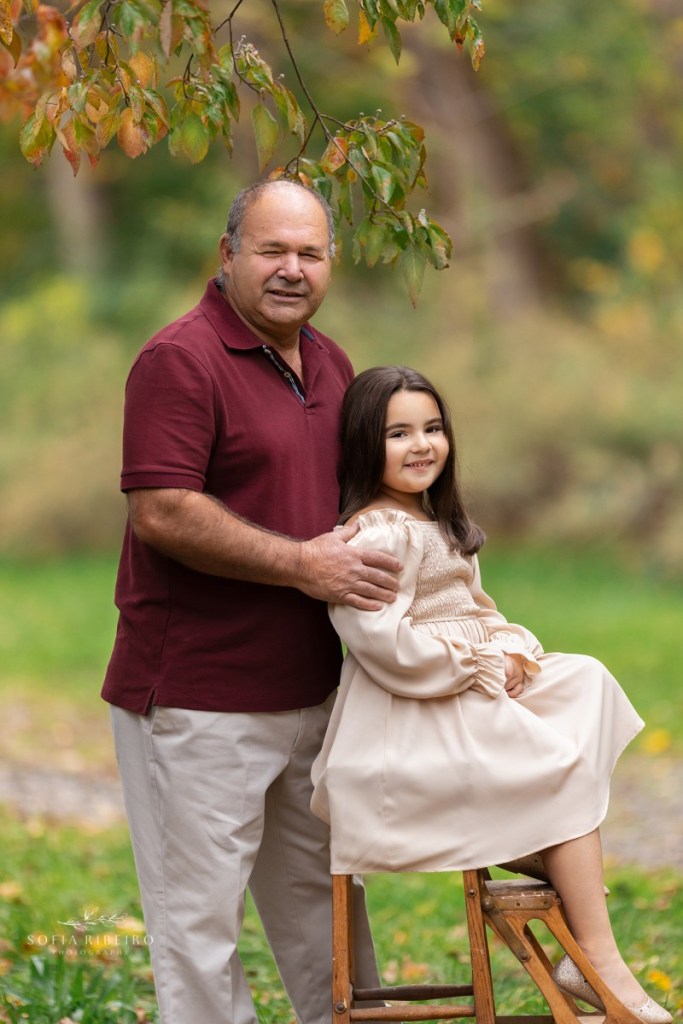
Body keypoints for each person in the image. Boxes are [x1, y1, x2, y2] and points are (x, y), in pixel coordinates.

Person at [101, 180, 403, 1024]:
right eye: (271, 250)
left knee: (331, 923)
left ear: (330, 263)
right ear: (227, 254)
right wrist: (303, 566)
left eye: (309, 253)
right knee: (199, 933)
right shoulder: (180, 359)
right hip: (200, 700)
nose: (291, 270)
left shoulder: (333, 362)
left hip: (315, 693)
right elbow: (162, 510)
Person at [310, 365, 673, 1024]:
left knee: (583, 678)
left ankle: (550, 853)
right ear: (365, 445)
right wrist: (474, 665)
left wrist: (507, 650)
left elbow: (480, 611)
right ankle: (595, 955)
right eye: (398, 434)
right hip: (408, 717)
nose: (421, 444)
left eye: (432, 428)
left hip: (457, 690)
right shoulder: (377, 534)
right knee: (554, 763)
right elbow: (382, 644)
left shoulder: (434, 523)